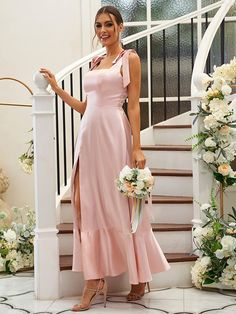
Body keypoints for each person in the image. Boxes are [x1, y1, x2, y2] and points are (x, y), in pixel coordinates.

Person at [40, 5, 170, 312]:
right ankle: (94, 279)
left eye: (109, 24)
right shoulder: (97, 62)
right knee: (87, 204)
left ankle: (138, 277)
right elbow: (87, 107)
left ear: (121, 27)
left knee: (119, 204)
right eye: (98, 25)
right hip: (89, 138)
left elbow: (134, 106)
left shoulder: (130, 58)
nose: (103, 30)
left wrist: (137, 147)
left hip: (114, 135)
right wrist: (58, 89)